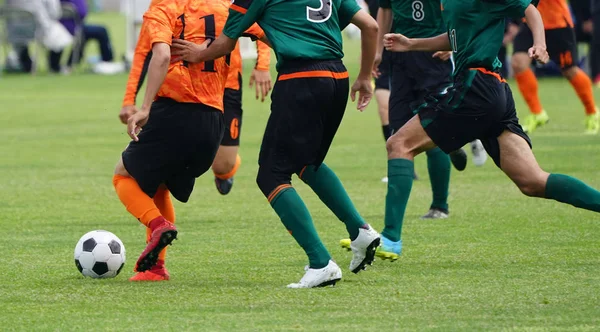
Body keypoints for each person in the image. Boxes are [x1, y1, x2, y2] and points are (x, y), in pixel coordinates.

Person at [171, 0, 381, 288]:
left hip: (301, 80)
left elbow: (223, 45)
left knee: (271, 175)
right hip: (337, 78)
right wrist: (366, 76)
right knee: (307, 163)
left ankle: (321, 262)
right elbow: (370, 26)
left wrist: (198, 53)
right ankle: (360, 231)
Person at [382, 0, 600, 262]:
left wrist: (540, 44)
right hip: (491, 92)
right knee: (532, 181)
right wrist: (412, 44)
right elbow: (458, 35)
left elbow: (529, 10)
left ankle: (390, 239)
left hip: (476, 86)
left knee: (399, 145)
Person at [113, 0, 265, 280]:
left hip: (174, 111)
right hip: (211, 122)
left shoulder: (164, 7)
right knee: (159, 185)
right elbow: (270, 29)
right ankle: (155, 269)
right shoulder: (225, 8)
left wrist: (144, 107)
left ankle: (158, 224)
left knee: (123, 177)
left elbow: (158, 56)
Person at [511, 0, 599, 134]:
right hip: (530, 20)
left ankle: (592, 112)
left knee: (570, 71)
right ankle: (537, 113)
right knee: (518, 62)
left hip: (557, 22)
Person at [53, 0, 116, 73]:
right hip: (73, 27)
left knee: (85, 35)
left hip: (59, 26)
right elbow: (82, 13)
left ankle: (70, 62)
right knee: (101, 31)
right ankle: (107, 62)